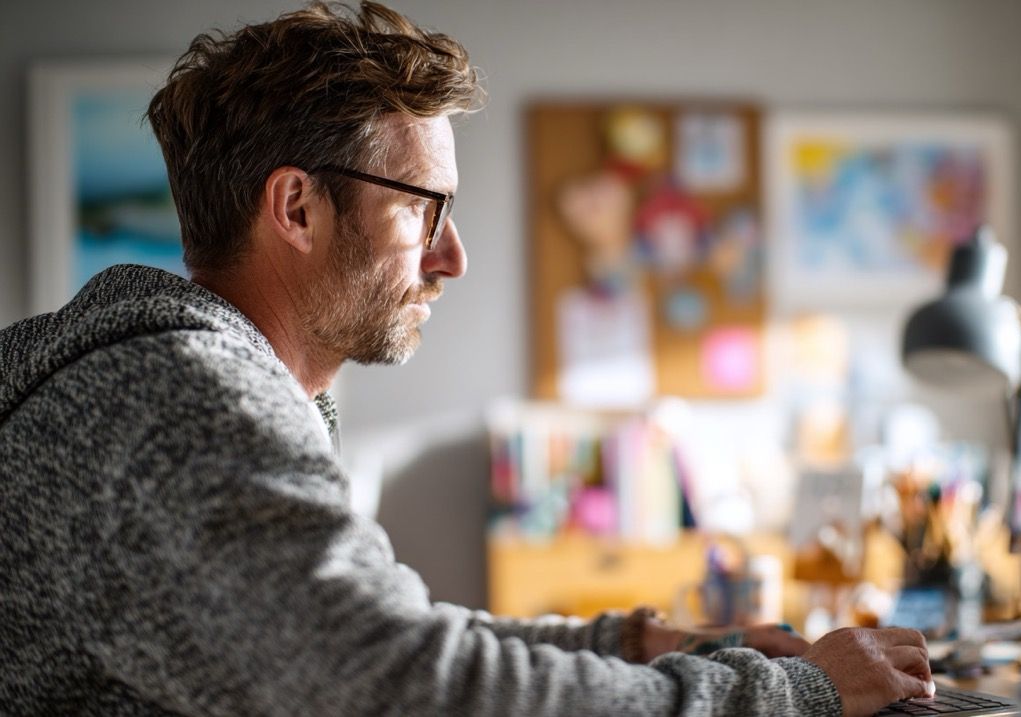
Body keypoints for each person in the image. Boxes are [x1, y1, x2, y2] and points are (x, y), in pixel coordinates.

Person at [0, 3, 932, 715]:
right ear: (296, 208)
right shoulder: (186, 403)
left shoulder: (164, 383)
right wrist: (784, 695)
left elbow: (378, 637)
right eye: (424, 208)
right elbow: (405, 685)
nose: (454, 257)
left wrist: (638, 642)